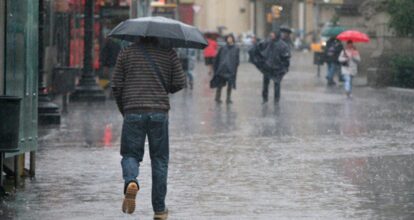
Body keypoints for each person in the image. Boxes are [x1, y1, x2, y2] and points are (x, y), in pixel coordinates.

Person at [112, 36, 186, 219]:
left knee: (130, 154)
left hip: (133, 110)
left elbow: (116, 85)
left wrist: (125, 109)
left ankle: (131, 181)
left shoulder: (126, 53)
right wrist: (162, 86)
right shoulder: (168, 53)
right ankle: (159, 210)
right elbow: (179, 82)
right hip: (159, 112)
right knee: (159, 160)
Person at [261, 31, 291, 104]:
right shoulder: (268, 42)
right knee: (265, 84)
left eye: (273, 34)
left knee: (277, 84)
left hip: (277, 68)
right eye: (271, 34)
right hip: (267, 67)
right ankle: (265, 99)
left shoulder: (282, 45)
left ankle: (276, 100)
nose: (271, 35)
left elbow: (287, 56)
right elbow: (263, 51)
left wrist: (283, 66)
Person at [210, 34, 240, 104]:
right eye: (228, 38)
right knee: (220, 84)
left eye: (230, 38)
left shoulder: (236, 48)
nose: (229, 39)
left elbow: (237, 59)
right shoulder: (223, 48)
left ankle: (228, 99)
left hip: (231, 69)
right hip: (222, 69)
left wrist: (235, 66)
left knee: (230, 84)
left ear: (233, 39)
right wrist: (217, 66)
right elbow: (218, 58)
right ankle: (217, 98)